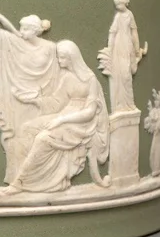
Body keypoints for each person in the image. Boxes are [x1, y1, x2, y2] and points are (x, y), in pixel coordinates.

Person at [0, 4, 60, 184]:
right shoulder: (14, 42)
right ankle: (17, 177)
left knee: (38, 137)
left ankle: (39, 177)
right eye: (21, 28)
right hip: (18, 99)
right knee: (15, 138)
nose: (21, 32)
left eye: (25, 29)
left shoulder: (51, 48)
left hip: (40, 101)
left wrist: (46, 100)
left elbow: (58, 76)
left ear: (35, 31)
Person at [8, 40, 111, 193]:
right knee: (26, 128)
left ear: (71, 58)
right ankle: (27, 178)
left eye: (61, 57)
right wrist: (32, 99)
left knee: (42, 138)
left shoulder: (90, 80)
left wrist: (61, 120)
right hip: (64, 115)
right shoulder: (67, 77)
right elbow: (56, 102)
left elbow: (89, 112)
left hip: (81, 123)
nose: (59, 60)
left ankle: (20, 184)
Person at [97, 0, 146, 113]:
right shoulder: (118, 16)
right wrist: (110, 48)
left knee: (127, 75)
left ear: (124, 3)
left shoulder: (129, 15)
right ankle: (121, 105)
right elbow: (112, 32)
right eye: (116, 5)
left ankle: (129, 103)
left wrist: (136, 48)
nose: (118, 7)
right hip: (118, 47)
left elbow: (134, 32)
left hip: (127, 45)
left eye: (119, 4)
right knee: (122, 74)